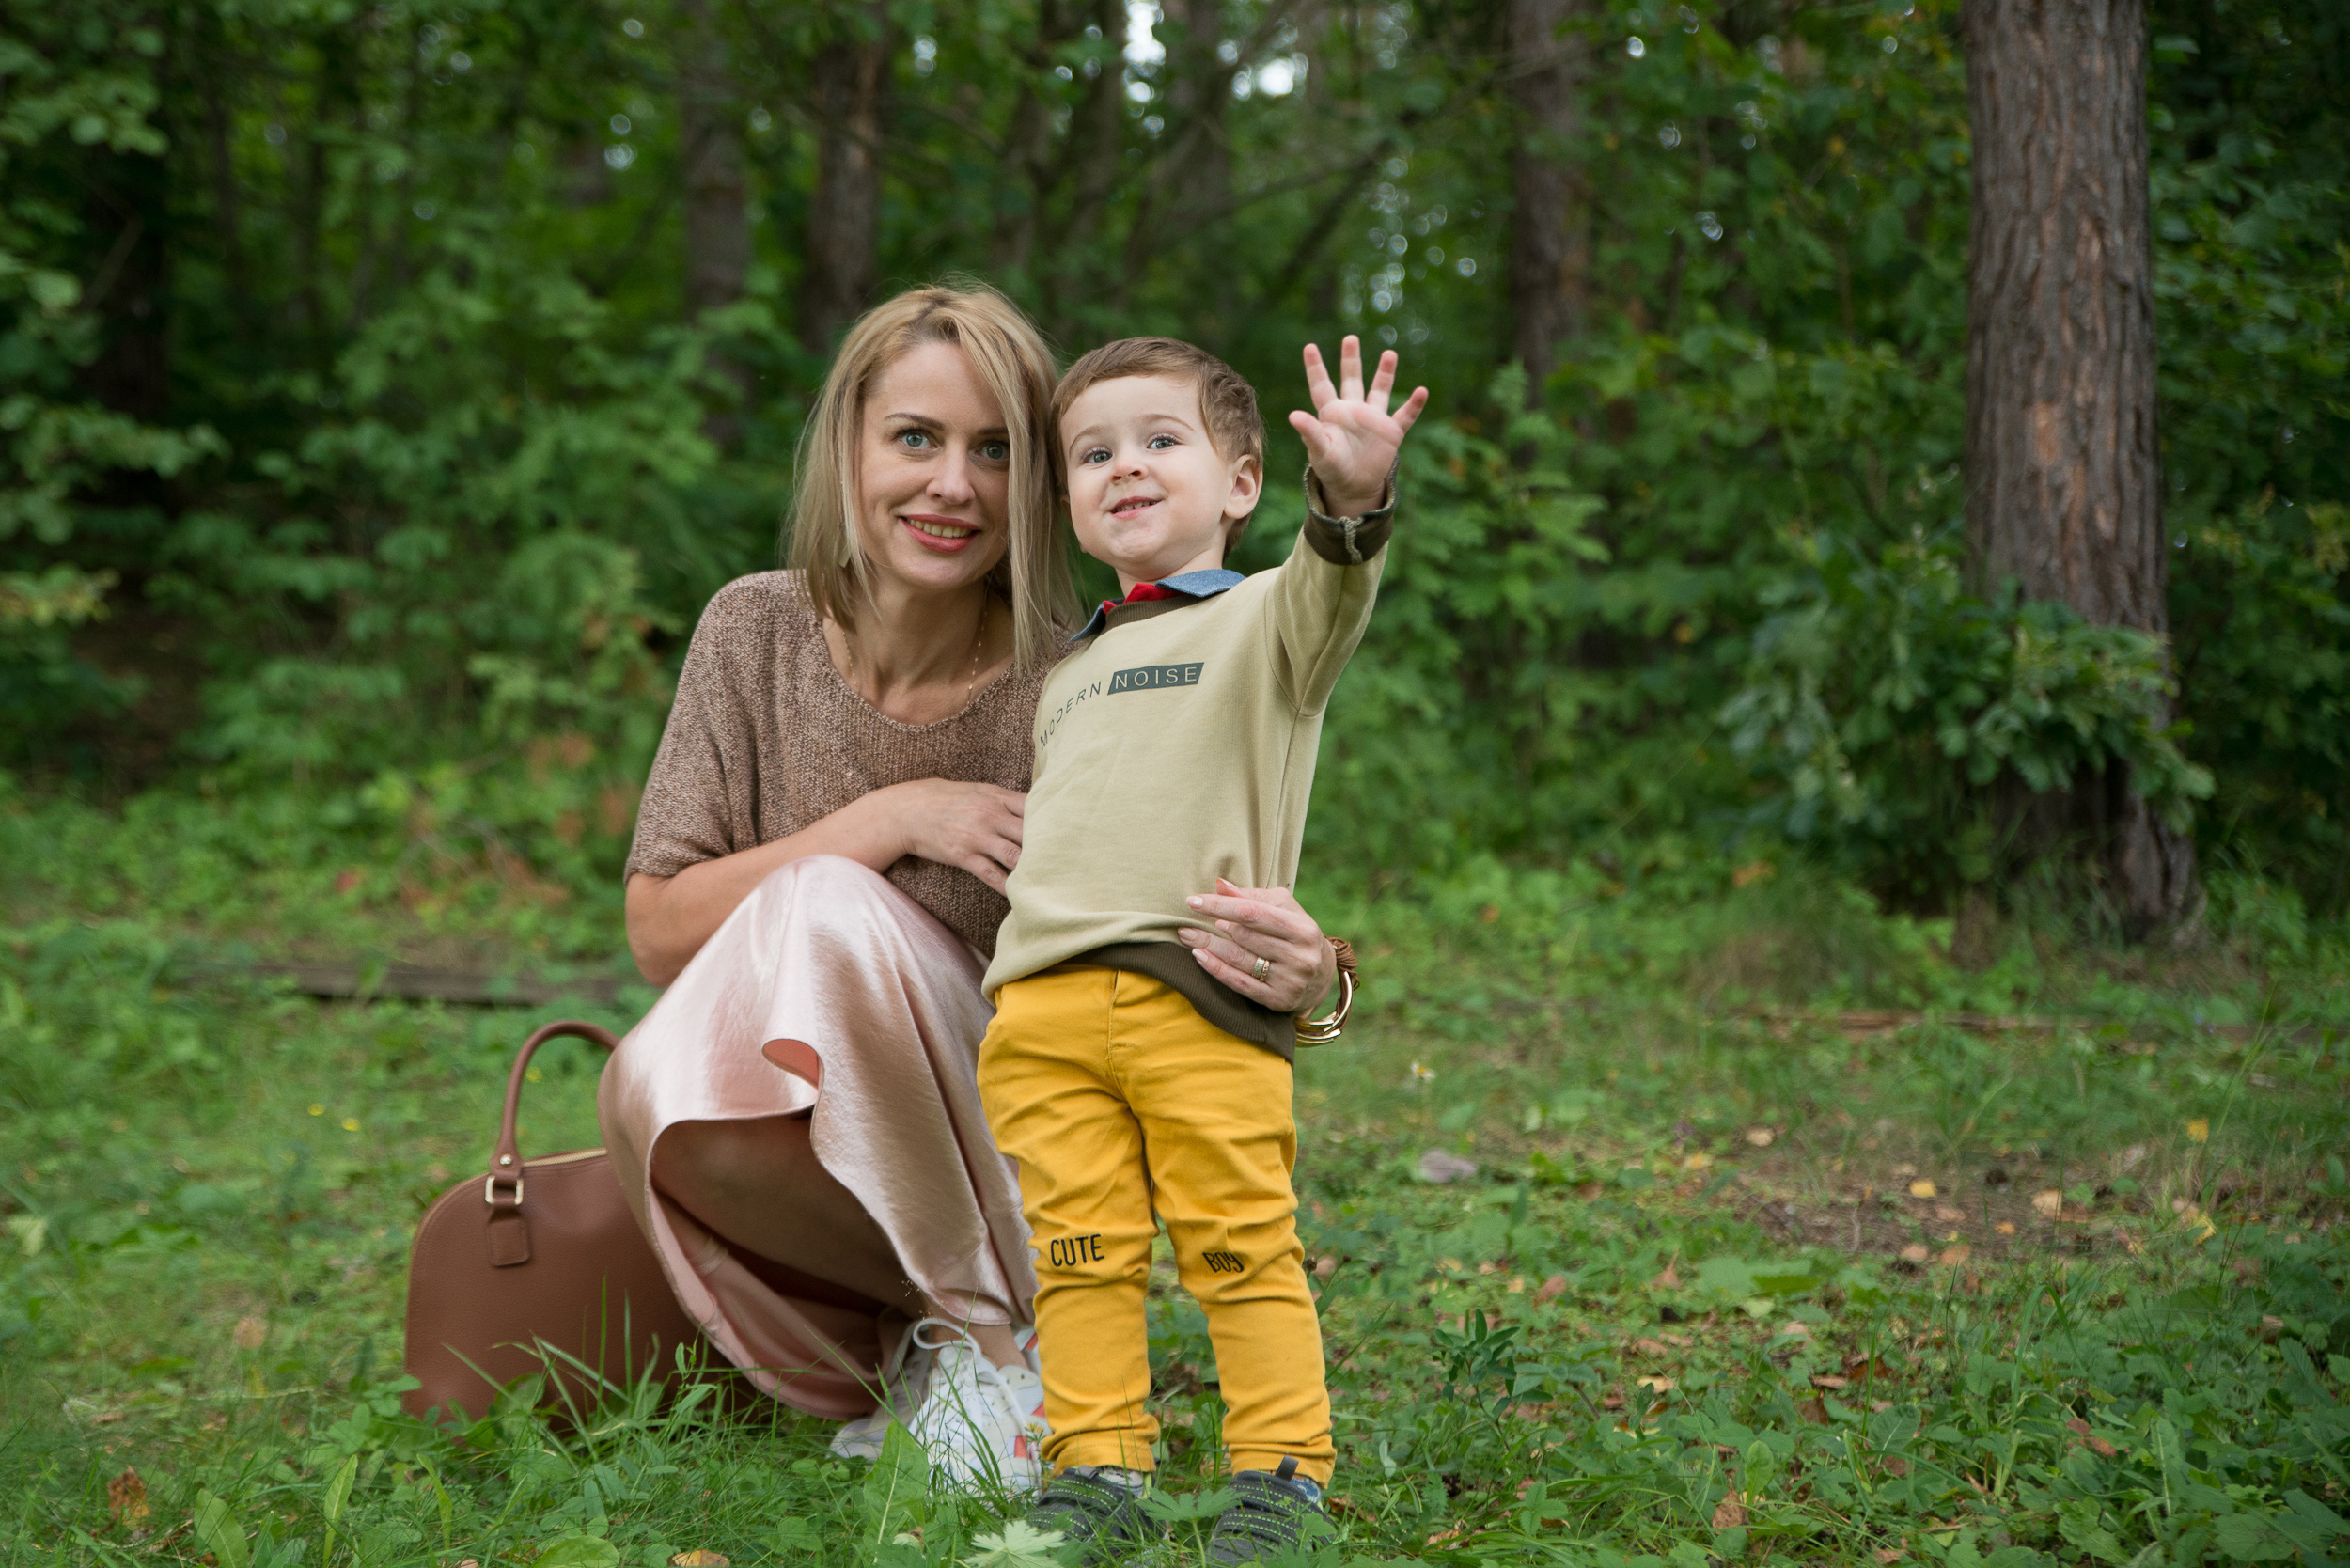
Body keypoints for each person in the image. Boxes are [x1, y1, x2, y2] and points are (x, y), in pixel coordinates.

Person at [599, 281, 1345, 1487]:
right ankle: (925, 1337)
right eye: (914, 439)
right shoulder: (753, 631)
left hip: (1029, 1108)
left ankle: (1004, 1347)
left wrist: (1318, 971)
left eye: (993, 450)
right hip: (818, 1123)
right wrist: (889, 818)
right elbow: (656, 930)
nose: (951, 485)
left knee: (828, 911)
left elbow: (1198, 852)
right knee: (660, 1089)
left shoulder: (1076, 667)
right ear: (849, 448)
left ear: (1037, 482)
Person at [974, 334, 1425, 1562]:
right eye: (1093, 453)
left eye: (1159, 441)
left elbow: (1337, 581)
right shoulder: (1066, 672)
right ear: (1066, 501)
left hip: (1201, 996)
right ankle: (1095, 1471)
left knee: (1236, 1241)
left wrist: (1351, 495)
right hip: (1045, 1015)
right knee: (1077, 1253)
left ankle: (1279, 1475)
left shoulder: (1269, 625)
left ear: (1238, 483)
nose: (1125, 467)